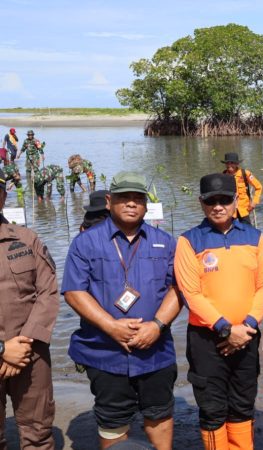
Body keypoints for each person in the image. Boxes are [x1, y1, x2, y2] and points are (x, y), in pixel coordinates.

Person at [62, 171, 181, 450]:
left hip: (155, 351)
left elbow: (179, 289)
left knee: (160, 413)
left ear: (145, 204)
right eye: (123, 197)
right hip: (105, 352)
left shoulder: (164, 241)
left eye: (137, 198)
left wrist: (157, 326)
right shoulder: (85, 242)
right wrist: (111, 326)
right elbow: (73, 292)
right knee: (112, 419)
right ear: (108, 201)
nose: (131, 204)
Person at [174, 173, 263, 449]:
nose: (218, 206)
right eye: (211, 201)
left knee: (242, 404)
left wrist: (247, 326)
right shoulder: (189, 241)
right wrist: (226, 329)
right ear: (201, 203)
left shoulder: (255, 238)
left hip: (247, 336)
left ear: (236, 200)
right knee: (213, 408)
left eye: (224, 200)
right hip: (206, 339)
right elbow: (191, 294)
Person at [0, 172, 59, 449]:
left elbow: (48, 292)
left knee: (38, 434)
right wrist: (2, 349)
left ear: (3, 196)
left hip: (30, 354)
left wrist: (22, 344)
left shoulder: (25, 239)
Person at [221, 152, 262, 226]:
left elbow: (259, 187)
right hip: (230, 211)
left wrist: (254, 202)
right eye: (227, 163)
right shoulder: (223, 176)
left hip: (244, 210)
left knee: (247, 231)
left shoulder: (245, 173)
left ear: (237, 164)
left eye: (232, 163)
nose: (229, 165)